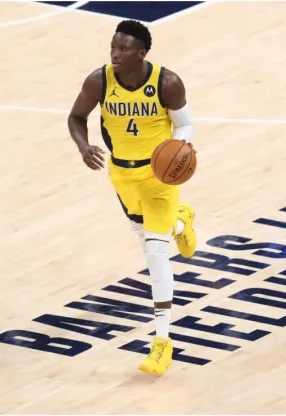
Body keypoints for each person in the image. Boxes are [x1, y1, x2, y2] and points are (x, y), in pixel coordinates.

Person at [67, 19, 197, 376]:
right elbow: (76, 116)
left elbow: (185, 123)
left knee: (155, 255)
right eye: (113, 47)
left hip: (158, 177)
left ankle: (162, 343)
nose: (115, 54)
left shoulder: (166, 83)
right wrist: (83, 147)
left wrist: (180, 147)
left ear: (142, 53)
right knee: (145, 238)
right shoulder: (99, 81)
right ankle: (182, 220)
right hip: (121, 175)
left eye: (124, 49)